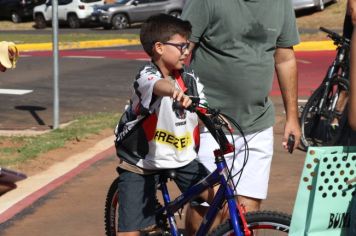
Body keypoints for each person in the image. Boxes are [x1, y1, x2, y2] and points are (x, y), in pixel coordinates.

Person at [181, 0, 301, 220]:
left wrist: (292, 118)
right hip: (208, 122)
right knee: (206, 208)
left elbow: (285, 59)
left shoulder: (280, 3)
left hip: (258, 123)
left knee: (247, 212)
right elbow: (180, 50)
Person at [115, 14, 213, 236]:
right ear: (159, 47)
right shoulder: (146, 75)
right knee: (130, 232)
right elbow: (157, 85)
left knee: (223, 202)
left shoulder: (189, 77)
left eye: (188, 45)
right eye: (182, 45)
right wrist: (173, 91)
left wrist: (217, 117)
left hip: (181, 157)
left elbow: (204, 106)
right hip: (141, 160)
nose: (187, 51)